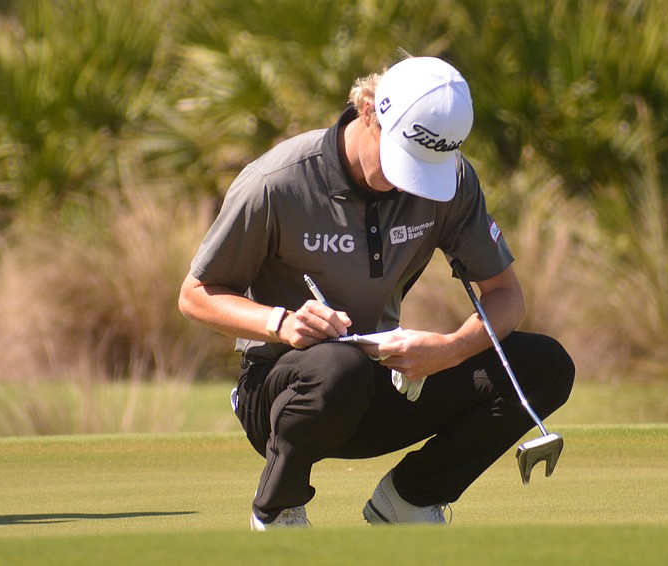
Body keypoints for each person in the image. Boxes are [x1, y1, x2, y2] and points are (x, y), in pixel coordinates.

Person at [179, 56, 575, 530]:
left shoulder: (450, 181)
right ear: (369, 111)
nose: (406, 182)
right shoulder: (275, 182)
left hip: (380, 384)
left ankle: (409, 500)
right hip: (282, 394)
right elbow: (195, 294)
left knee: (545, 366)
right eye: (401, 159)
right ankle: (278, 510)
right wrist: (280, 323)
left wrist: (449, 350)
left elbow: (507, 295)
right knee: (337, 369)